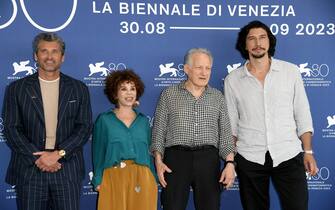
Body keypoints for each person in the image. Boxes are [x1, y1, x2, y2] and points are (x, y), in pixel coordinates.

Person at [224, 20, 318, 210]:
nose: (257, 43)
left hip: (288, 154)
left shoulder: (290, 72)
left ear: (269, 41)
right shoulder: (233, 80)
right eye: (251, 39)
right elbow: (231, 125)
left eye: (262, 37)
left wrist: (308, 152)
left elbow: (302, 113)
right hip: (250, 157)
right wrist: (231, 161)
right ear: (245, 45)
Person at [2, 32, 92, 210]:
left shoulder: (78, 88)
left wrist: (58, 154)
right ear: (36, 55)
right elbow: (11, 129)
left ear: (62, 57)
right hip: (31, 169)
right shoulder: (17, 89)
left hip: (66, 169)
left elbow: (84, 127)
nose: (49, 56)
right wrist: (39, 157)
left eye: (55, 51)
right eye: (44, 51)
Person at [151, 48, 236, 210]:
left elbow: (225, 133)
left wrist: (230, 163)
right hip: (175, 160)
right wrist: (158, 161)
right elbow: (159, 130)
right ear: (186, 69)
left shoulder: (218, 97)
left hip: (208, 161)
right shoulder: (169, 94)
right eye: (199, 67)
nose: (204, 72)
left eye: (208, 68)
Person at [92, 69, 157, 210]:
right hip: (113, 176)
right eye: (123, 89)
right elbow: (98, 153)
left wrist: (153, 178)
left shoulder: (143, 121)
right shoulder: (104, 120)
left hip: (142, 178)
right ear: (115, 94)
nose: (129, 93)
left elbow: (149, 152)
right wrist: (98, 179)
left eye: (132, 89)